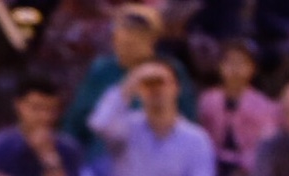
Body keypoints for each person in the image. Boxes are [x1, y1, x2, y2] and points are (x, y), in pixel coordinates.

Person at [61, 4, 196, 164]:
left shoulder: (167, 70)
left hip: (155, 158)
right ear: (115, 36)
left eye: (139, 35)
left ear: (153, 39)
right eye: (124, 33)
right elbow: (77, 120)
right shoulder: (101, 69)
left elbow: (188, 119)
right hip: (102, 156)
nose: (130, 39)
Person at [197, 37, 279, 176]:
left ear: (252, 69)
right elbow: (202, 138)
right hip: (213, 164)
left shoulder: (264, 106)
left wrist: (243, 168)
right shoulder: (208, 100)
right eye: (229, 62)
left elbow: (264, 145)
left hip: (244, 170)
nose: (234, 69)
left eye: (241, 63)